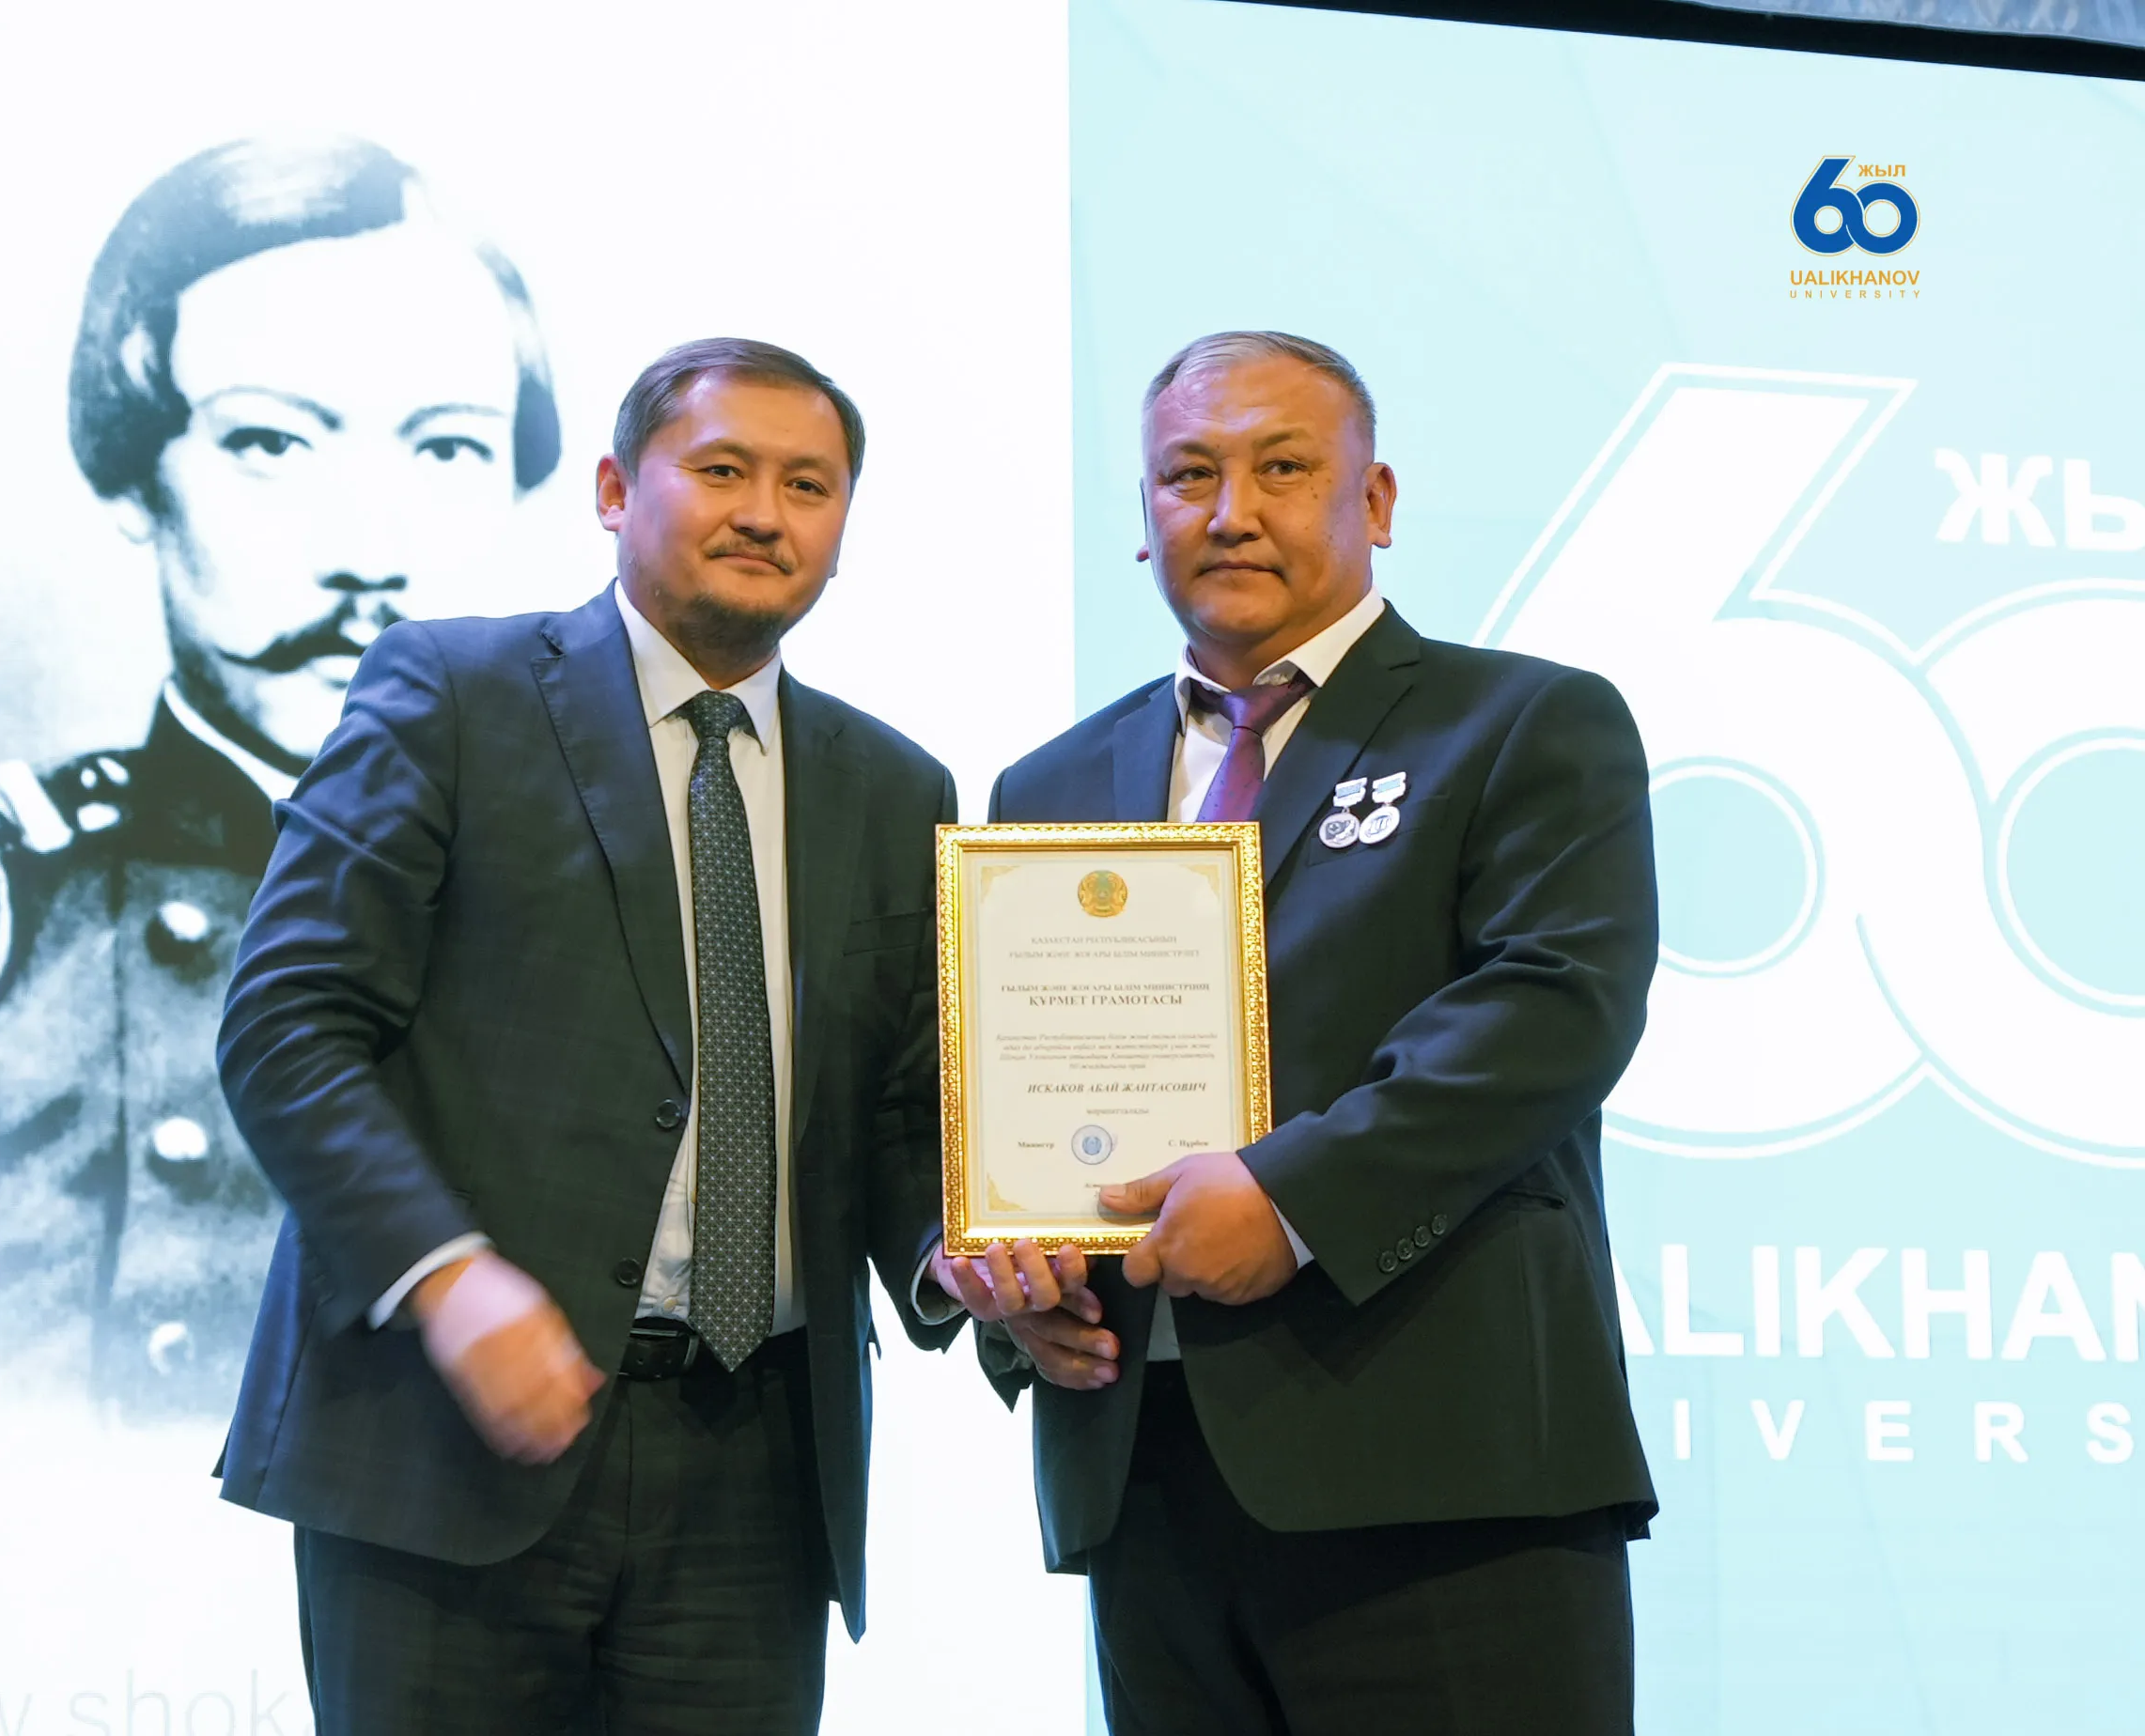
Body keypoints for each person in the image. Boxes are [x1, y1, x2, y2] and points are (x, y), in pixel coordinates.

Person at [215, 338, 987, 1734]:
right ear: (615, 489)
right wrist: (449, 1281)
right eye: (724, 469)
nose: (766, 513)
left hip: (758, 1471)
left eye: (808, 485)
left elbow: (891, 1109)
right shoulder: (453, 693)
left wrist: (957, 1253)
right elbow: (289, 1023)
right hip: (449, 1434)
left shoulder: (894, 785)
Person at [963, 331, 1660, 1734]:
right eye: (1189, 476)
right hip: (1144, 1472)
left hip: (1445, 1473)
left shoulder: (1521, 722)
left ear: (1376, 501)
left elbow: (1552, 1007)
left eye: (1283, 468)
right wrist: (1001, 1256)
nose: (1231, 511)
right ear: (1143, 515)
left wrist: (1288, 1198)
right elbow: (1006, 1076)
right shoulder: (1051, 782)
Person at [0, 135, 558, 1414]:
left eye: (444, 451)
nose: (367, 550)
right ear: (132, 474)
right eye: (271, 443)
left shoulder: (608, 890)